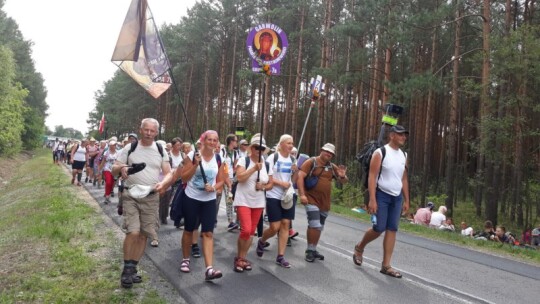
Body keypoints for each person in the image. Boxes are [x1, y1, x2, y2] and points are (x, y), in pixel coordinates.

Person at [112, 118, 171, 289]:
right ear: (140, 130)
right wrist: (122, 168)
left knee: (144, 234)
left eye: (152, 131)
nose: (149, 133)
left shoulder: (160, 149)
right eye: (146, 130)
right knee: (133, 231)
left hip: (151, 197)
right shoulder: (130, 148)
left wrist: (164, 183)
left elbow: (168, 173)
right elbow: (114, 168)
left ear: (156, 133)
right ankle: (126, 269)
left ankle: (132, 268)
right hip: (130, 194)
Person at [162, 130, 225, 281]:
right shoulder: (192, 155)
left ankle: (209, 269)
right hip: (192, 198)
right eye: (209, 139)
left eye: (215, 140)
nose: (212, 142)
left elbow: (222, 180)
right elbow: (184, 178)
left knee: (208, 233)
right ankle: (185, 259)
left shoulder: (218, 157)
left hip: (209, 200)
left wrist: (214, 188)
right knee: (189, 229)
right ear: (203, 141)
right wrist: (196, 164)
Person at [352, 125, 410, 279]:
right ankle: (359, 247)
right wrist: (372, 199)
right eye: (401, 135)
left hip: (396, 197)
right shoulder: (380, 152)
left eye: (405, 135)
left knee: (392, 229)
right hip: (381, 195)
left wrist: (407, 200)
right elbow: (372, 176)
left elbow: (403, 178)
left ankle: (386, 265)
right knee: (378, 228)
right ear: (392, 136)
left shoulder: (404, 155)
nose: (404, 137)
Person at [297, 143, 348, 263]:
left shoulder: (332, 166)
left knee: (319, 226)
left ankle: (313, 249)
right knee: (314, 224)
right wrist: (302, 195)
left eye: (331, 153)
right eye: (326, 151)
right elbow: (300, 177)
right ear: (321, 150)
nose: (328, 154)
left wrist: (342, 176)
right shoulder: (311, 162)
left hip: (324, 202)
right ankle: (309, 251)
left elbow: (345, 181)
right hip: (311, 199)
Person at [233, 134, 272, 272]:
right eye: (256, 147)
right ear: (251, 148)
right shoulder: (244, 161)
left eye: (261, 148)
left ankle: (243, 258)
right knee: (246, 230)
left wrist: (263, 187)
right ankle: (239, 257)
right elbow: (240, 177)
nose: (258, 150)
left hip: (258, 202)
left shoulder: (267, 164)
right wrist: (254, 169)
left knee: (251, 232)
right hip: (243, 199)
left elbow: (271, 184)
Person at [257, 134, 297, 268]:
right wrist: (281, 183)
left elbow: (294, 180)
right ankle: (262, 240)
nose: (291, 145)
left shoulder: (293, 159)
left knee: (285, 224)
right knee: (275, 227)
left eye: (292, 143)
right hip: (273, 195)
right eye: (288, 143)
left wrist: (295, 171)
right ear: (281, 145)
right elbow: (267, 178)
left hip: (287, 196)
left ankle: (280, 256)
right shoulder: (272, 158)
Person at [98, 139, 118, 204]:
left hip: (115, 170)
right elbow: (103, 161)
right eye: (111, 145)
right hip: (107, 169)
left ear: (115, 146)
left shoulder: (118, 153)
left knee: (112, 184)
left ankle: (108, 194)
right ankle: (107, 197)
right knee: (108, 182)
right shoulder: (106, 152)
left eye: (113, 145)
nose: (112, 146)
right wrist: (100, 169)